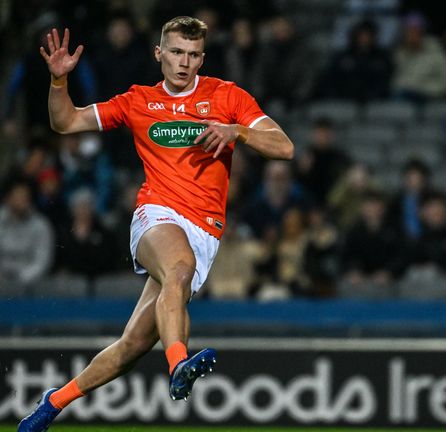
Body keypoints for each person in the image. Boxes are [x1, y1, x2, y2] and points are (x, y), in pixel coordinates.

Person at [20, 16, 293, 432]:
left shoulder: (227, 96)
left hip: (205, 231)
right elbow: (66, 122)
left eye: (193, 55)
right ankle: (179, 363)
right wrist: (59, 82)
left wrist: (237, 131)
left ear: (202, 58)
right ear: (158, 54)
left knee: (131, 346)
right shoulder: (138, 101)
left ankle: (52, 402)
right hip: (157, 214)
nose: (184, 63)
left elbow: (284, 147)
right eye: (177, 52)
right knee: (179, 269)